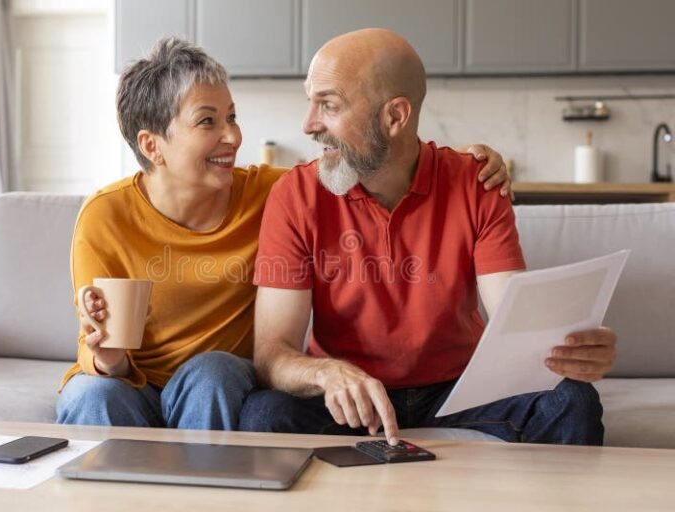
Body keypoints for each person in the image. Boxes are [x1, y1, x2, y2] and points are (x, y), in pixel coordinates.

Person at [55, 36, 514, 430]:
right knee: (91, 396)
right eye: (208, 121)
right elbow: (102, 352)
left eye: (231, 117)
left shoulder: (272, 192)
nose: (232, 136)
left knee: (212, 371)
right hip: (128, 382)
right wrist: (108, 355)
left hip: (213, 385)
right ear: (151, 145)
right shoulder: (105, 217)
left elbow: (364, 160)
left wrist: (468, 162)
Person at [240, 29, 617, 446]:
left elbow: (512, 314)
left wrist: (574, 348)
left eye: (328, 105)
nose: (308, 125)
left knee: (572, 401)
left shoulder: (475, 184)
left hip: (458, 392)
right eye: (310, 102)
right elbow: (273, 353)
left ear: (395, 117)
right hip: (349, 400)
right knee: (264, 413)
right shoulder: (296, 195)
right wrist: (324, 373)